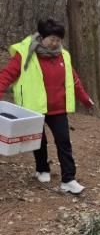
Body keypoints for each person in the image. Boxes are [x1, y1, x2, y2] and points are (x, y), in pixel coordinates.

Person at [0, 18, 94, 195]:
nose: (55, 43)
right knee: (39, 141)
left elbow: (73, 79)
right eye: (52, 39)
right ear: (42, 37)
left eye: (58, 40)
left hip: (57, 108)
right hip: (33, 108)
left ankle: (69, 180)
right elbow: (7, 75)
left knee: (63, 142)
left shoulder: (64, 56)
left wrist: (85, 99)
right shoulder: (26, 53)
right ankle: (42, 169)